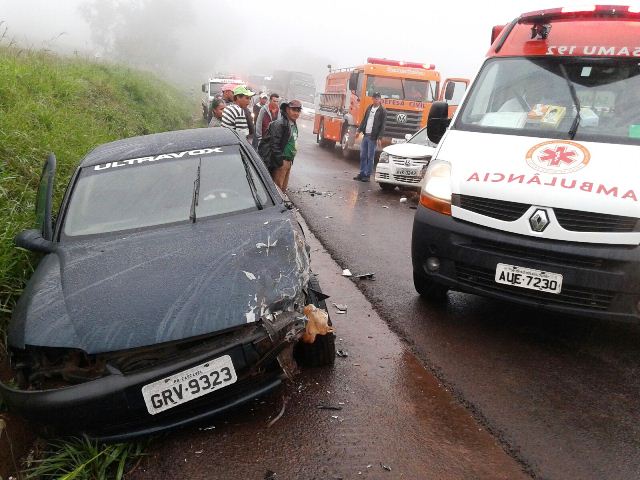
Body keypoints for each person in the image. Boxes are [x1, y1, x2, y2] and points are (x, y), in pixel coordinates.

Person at [258, 99, 301, 191]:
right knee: (277, 190)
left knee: (283, 189)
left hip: (288, 162)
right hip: (282, 162)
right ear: (287, 110)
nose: (296, 113)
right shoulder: (280, 124)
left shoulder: (293, 123)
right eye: (294, 110)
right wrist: (280, 162)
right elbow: (274, 144)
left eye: (298, 110)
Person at [354, 92, 387, 182]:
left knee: (370, 157)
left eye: (377, 98)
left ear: (380, 99)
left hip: (373, 137)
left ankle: (367, 175)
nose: (376, 100)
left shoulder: (382, 111)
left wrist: (379, 138)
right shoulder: (369, 108)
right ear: (372, 99)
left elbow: (383, 125)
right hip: (366, 135)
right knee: (363, 155)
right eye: (374, 98)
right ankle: (362, 173)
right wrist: (359, 130)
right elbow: (364, 120)